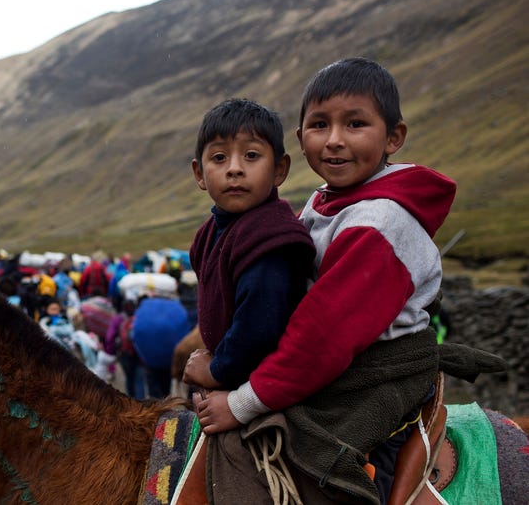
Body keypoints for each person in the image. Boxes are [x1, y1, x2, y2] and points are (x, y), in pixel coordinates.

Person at [193, 58, 457, 504]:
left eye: (355, 124)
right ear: (300, 139)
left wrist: (239, 403)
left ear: (394, 136)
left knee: (320, 469)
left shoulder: (380, 223)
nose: (334, 141)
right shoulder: (327, 201)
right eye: (319, 125)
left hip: (373, 376)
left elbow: (322, 336)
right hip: (328, 366)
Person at [183, 98, 315, 393]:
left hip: (266, 386)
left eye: (251, 155)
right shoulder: (210, 234)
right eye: (219, 158)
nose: (234, 169)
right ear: (199, 174)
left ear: (279, 169)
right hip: (236, 376)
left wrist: (216, 372)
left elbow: (257, 332)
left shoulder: (269, 240)